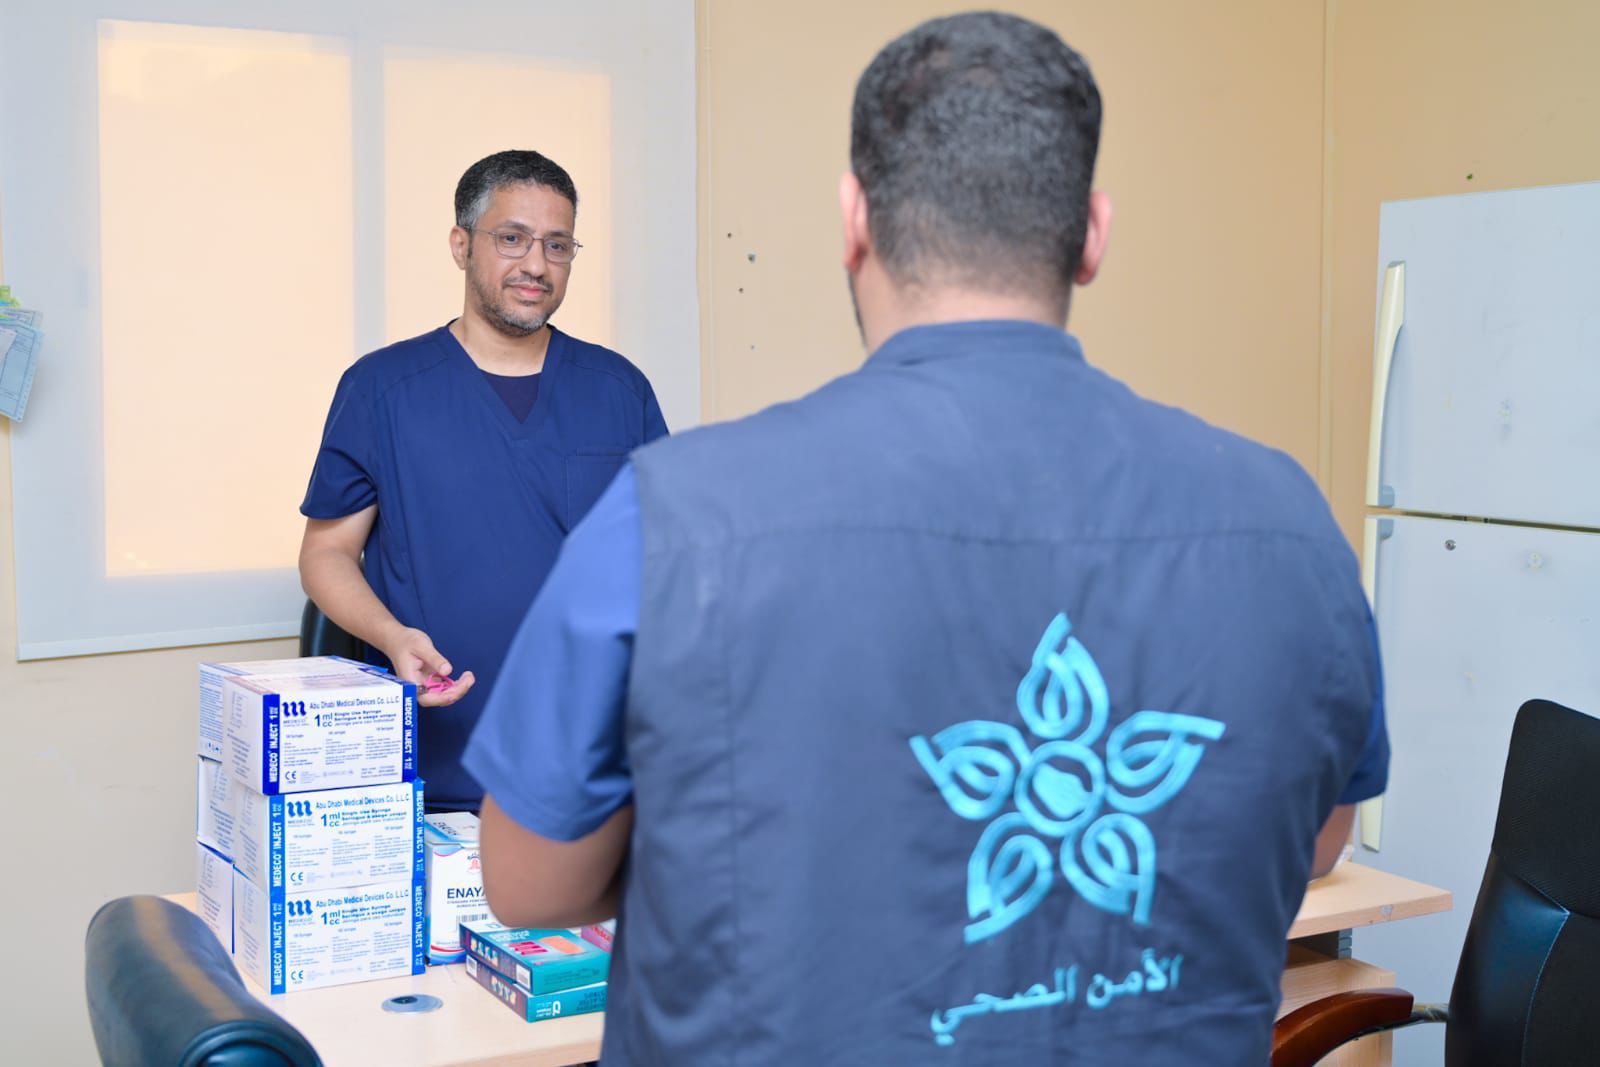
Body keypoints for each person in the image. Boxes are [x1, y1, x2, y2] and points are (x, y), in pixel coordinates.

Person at [466, 13, 1388, 1063]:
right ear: (1091, 235)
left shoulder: (672, 515)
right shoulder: (1289, 522)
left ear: (854, 221)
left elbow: (530, 884)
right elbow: (1317, 838)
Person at [299, 150, 668, 813]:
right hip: (435, 767)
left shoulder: (619, 389)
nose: (537, 264)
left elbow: (663, 556)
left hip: (588, 769)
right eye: (512, 238)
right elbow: (326, 553)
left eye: (558, 245)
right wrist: (392, 637)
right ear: (461, 245)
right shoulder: (382, 388)